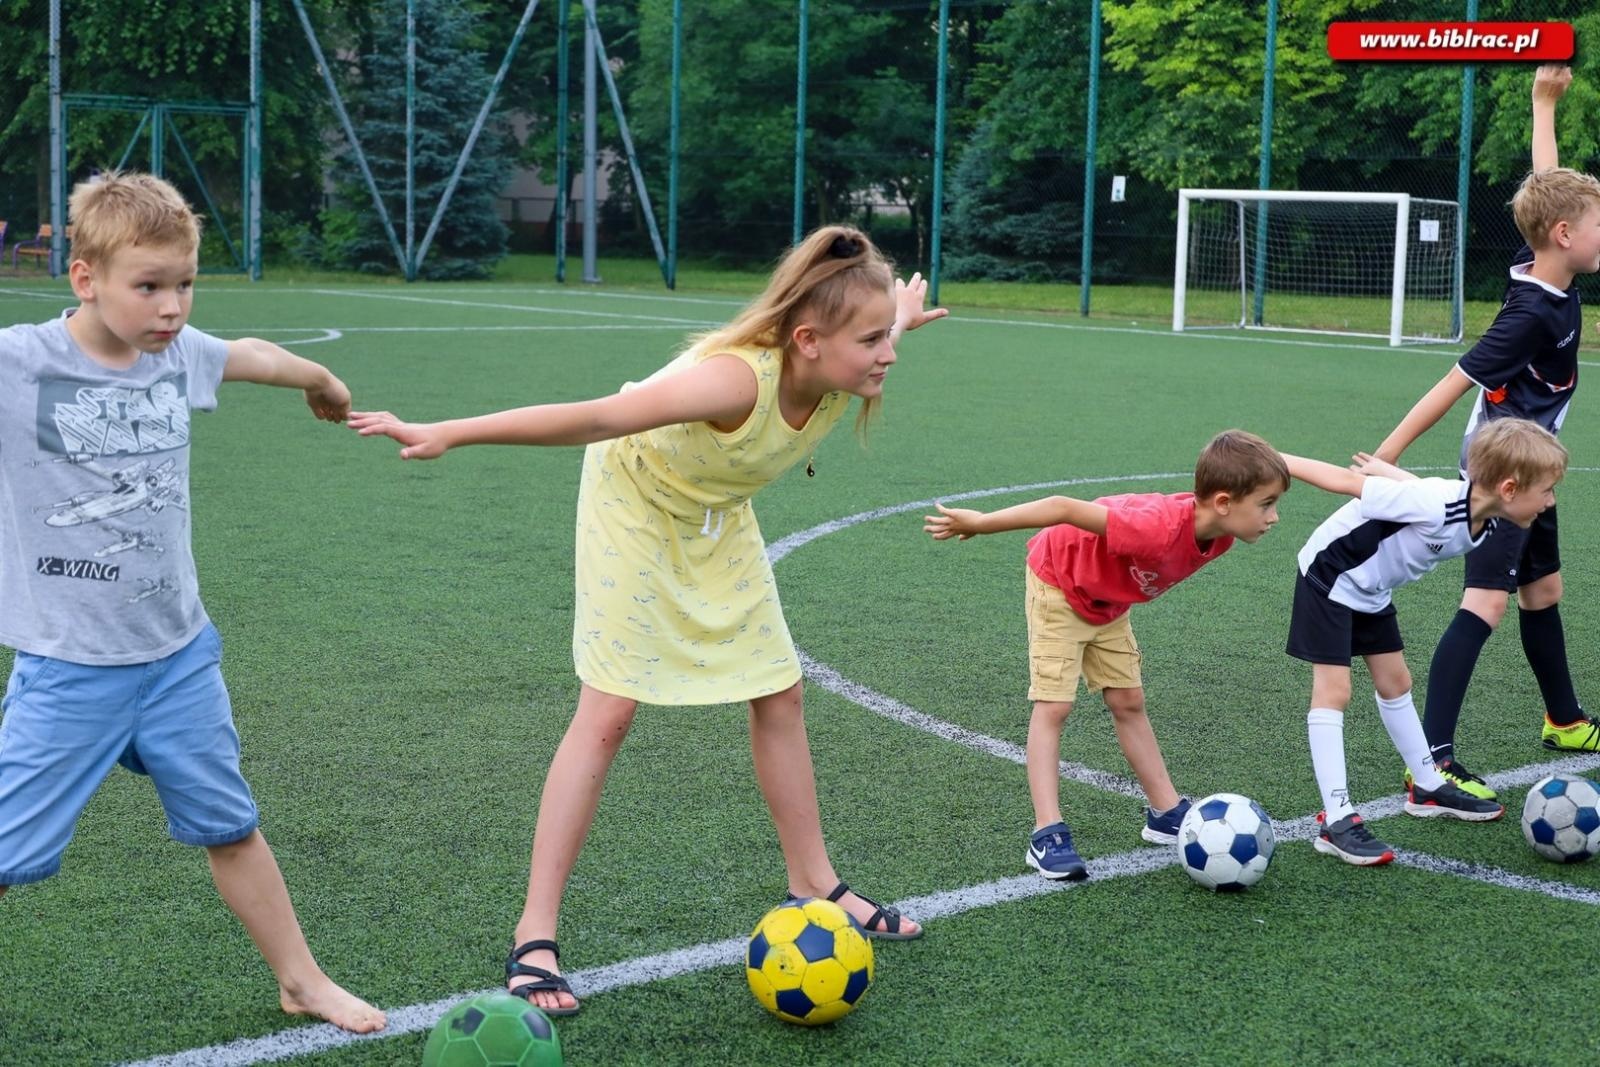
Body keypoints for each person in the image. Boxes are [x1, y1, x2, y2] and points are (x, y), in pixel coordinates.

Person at [350, 225, 947, 1015]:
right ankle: (534, 932)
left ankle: (815, 880)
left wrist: (898, 315)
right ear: (807, 341)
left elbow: (870, 329)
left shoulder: (842, 357)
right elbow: (599, 416)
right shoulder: (732, 383)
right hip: (633, 499)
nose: (888, 354)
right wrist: (452, 432)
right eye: (873, 341)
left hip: (714, 510)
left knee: (780, 689)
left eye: (886, 337)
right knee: (609, 709)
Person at [0, 172, 385, 1032]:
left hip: (178, 657)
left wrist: (322, 379)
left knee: (230, 824)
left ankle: (302, 980)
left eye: (184, 284)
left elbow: (253, 354)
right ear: (85, 277)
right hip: (71, 666)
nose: (171, 307)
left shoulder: (178, 356)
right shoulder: (21, 361)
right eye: (148, 286)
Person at [1372, 64, 1600, 795]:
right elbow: (1453, 383)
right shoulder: (1529, 312)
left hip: (1536, 468)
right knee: (1488, 602)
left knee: (1543, 590)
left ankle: (1564, 718)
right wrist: (1386, 456)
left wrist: (1542, 105)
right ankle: (1430, 765)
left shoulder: (1546, 266)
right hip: (1503, 472)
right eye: (1597, 223)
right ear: (1565, 236)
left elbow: (1548, 188)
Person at [921, 431, 1288, 880]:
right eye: (1267, 504)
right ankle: (1046, 833)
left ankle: (1165, 812)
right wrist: (980, 523)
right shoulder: (1155, 528)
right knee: (1055, 706)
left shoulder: (1220, 537)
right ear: (1225, 503)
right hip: (1060, 583)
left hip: (1109, 602)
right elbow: (1062, 507)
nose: (1274, 517)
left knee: (1128, 700)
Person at [1286, 419, 1568, 866]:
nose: (1551, 501)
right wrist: (1272, 460)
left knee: (1396, 682)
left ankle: (1427, 786)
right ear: (1509, 489)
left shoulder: (1480, 513)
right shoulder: (1440, 505)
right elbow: (1345, 482)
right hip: (1330, 576)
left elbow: (1423, 491)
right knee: (1335, 691)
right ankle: (1336, 819)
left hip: (1371, 588)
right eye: (1547, 490)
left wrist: (1389, 471)